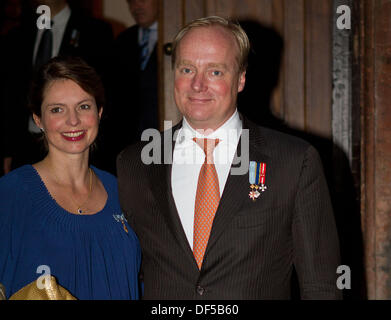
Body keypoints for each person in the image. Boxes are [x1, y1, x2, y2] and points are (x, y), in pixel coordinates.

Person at [116, 16, 342, 299]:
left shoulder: (294, 162)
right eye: (187, 69)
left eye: (215, 72)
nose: (197, 85)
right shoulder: (134, 164)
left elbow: (321, 286)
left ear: (241, 79)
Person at [0, 56, 141, 300]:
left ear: (99, 112)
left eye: (83, 106)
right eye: (57, 109)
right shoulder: (10, 195)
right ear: (38, 120)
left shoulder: (124, 192)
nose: (73, 120)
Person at [2, 0, 113, 174]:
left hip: (82, 151)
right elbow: (8, 97)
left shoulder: (96, 32)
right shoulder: (16, 36)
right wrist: (8, 151)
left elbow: (109, 95)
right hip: (25, 150)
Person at [104, 0, 159, 174]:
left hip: (165, 144)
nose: (136, 6)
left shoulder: (178, 37)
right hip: (127, 150)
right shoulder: (122, 40)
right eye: (131, 1)